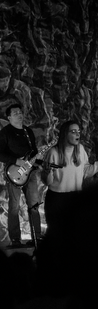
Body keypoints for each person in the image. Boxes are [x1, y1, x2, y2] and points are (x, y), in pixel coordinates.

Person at [41, 120, 98, 233]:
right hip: (57, 199)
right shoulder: (53, 152)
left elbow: (85, 173)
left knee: (76, 232)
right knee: (57, 233)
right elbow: (48, 182)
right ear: (65, 134)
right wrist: (48, 172)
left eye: (78, 131)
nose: (78, 134)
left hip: (75, 197)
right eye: (73, 131)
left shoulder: (80, 150)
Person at [0, 104, 43, 249]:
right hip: (13, 173)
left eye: (20, 112)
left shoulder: (28, 131)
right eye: (15, 113)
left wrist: (39, 162)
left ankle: (37, 237)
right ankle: (15, 240)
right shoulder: (5, 133)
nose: (19, 115)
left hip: (30, 173)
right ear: (9, 117)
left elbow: (34, 151)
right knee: (14, 206)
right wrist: (16, 161)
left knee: (34, 205)